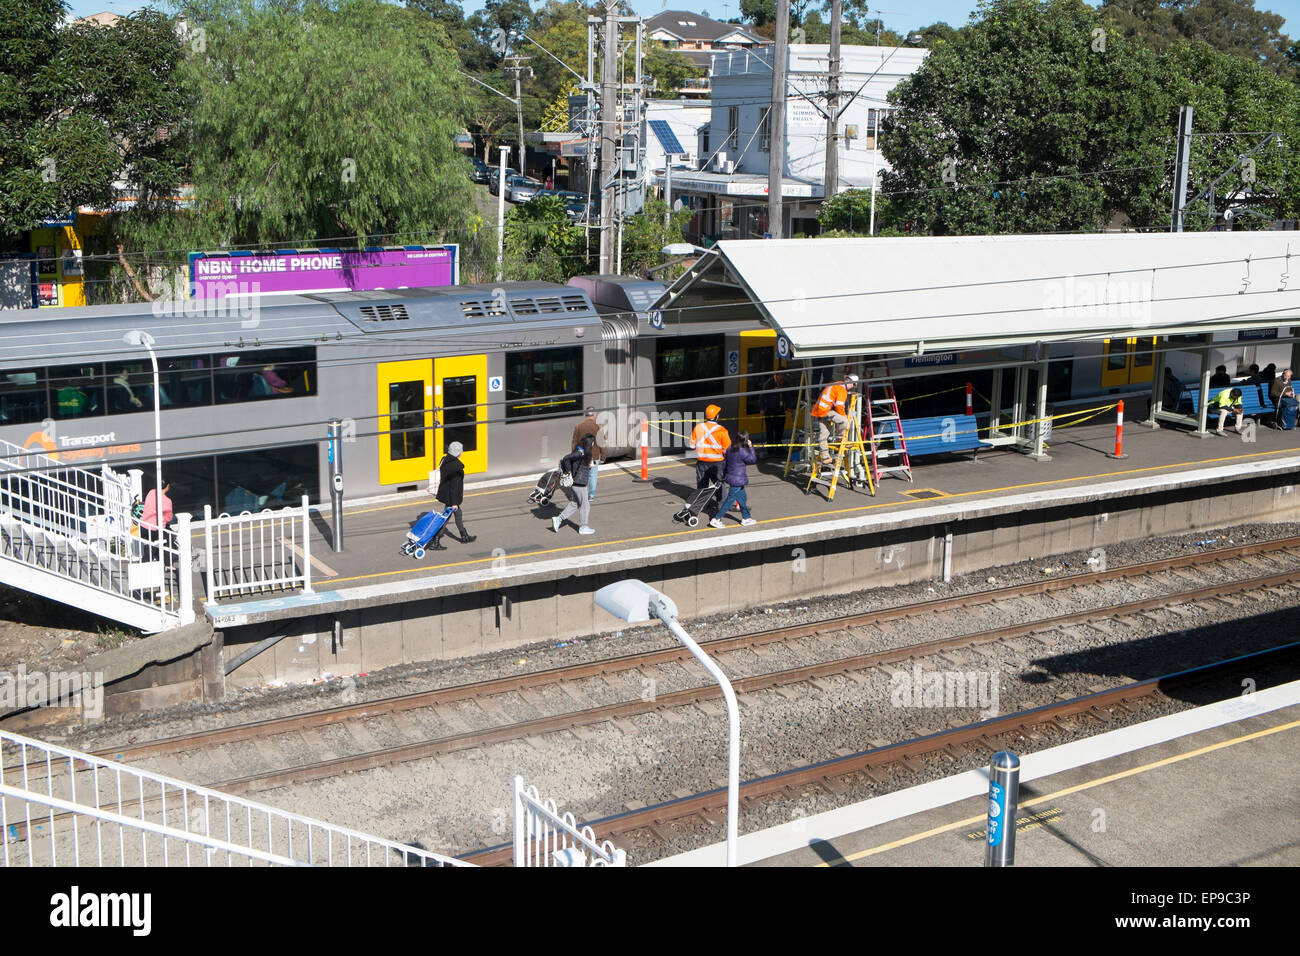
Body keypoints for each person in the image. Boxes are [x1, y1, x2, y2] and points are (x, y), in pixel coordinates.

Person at [431, 441, 476, 547]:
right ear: (458, 452)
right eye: (461, 450)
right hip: (451, 497)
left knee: (458, 514)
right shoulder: (456, 467)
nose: (462, 451)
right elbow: (454, 487)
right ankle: (435, 541)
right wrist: (454, 503)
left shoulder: (445, 459)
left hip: (446, 493)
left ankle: (464, 536)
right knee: (445, 518)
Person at [710, 432, 757, 528]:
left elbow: (724, 463)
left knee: (742, 498)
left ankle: (746, 518)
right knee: (729, 500)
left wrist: (723, 475)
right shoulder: (743, 450)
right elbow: (752, 460)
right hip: (738, 479)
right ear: (745, 440)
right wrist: (751, 447)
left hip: (731, 477)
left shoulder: (730, 448)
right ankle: (717, 519)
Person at [551, 434, 596, 535]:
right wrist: (568, 471)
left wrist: (589, 465)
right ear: (589, 443)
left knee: (575, 504)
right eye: (593, 442)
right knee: (585, 505)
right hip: (579, 483)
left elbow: (580, 466)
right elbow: (566, 458)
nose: (594, 444)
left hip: (578, 482)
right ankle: (583, 527)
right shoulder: (580, 453)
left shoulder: (583, 453)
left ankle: (558, 519)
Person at [811, 373, 858, 465]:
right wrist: (844, 416)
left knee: (823, 435)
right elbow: (839, 406)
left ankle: (825, 457)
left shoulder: (836, 384)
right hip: (826, 410)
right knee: (845, 421)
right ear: (851, 383)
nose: (852, 387)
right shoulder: (842, 390)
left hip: (819, 411)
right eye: (854, 385)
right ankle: (840, 439)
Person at [689, 404, 731, 494]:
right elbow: (727, 450)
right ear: (716, 416)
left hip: (702, 462)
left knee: (702, 486)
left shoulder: (698, 427)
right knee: (719, 485)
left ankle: (701, 505)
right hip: (717, 463)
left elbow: (692, 446)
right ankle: (721, 505)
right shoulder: (722, 430)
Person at [571, 406, 604, 502]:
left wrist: (573, 455)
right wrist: (603, 456)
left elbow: (574, 442)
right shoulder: (598, 426)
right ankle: (591, 495)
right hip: (594, 456)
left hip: (581, 455)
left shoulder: (578, 426)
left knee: (580, 474)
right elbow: (602, 443)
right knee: (592, 476)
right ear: (595, 415)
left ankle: (580, 495)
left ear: (585, 414)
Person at [762, 370, 789, 457]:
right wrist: (762, 408)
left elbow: (788, 395)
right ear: (777, 375)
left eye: (784, 375)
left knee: (780, 430)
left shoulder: (785, 383)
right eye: (782, 375)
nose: (783, 377)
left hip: (780, 410)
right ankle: (770, 449)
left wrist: (789, 407)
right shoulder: (769, 383)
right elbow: (762, 396)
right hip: (770, 410)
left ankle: (779, 448)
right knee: (770, 430)